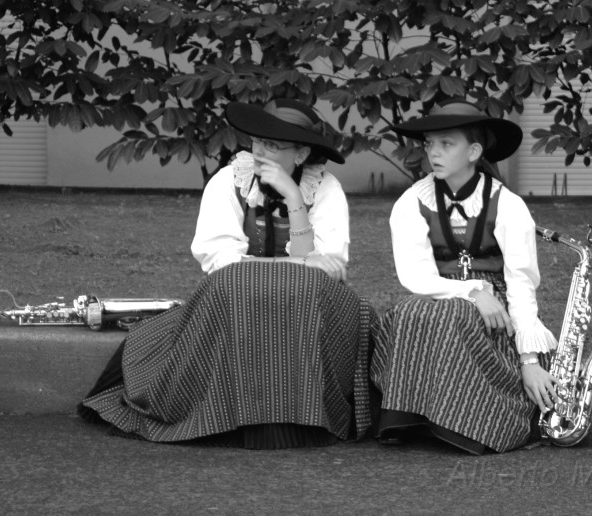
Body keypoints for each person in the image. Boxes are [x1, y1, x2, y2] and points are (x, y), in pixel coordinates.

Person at [78, 98, 375, 449]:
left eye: (274, 146)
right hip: (240, 301)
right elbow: (221, 261)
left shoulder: (325, 189)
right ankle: (224, 416)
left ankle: (301, 419)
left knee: (305, 288)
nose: (261, 152)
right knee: (237, 284)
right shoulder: (229, 181)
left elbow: (328, 270)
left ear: (301, 154)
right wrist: (299, 265)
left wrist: (294, 197)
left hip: (309, 311)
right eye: (259, 141)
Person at [369, 99, 559, 454]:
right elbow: (415, 275)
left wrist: (529, 360)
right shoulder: (413, 202)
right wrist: (471, 291)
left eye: (446, 144)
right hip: (437, 293)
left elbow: (521, 281)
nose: (434, 153)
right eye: (429, 144)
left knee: (450, 316)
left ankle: (465, 422)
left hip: (497, 301)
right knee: (413, 312)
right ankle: (409, 417)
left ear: (474, 151)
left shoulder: (508, 204)